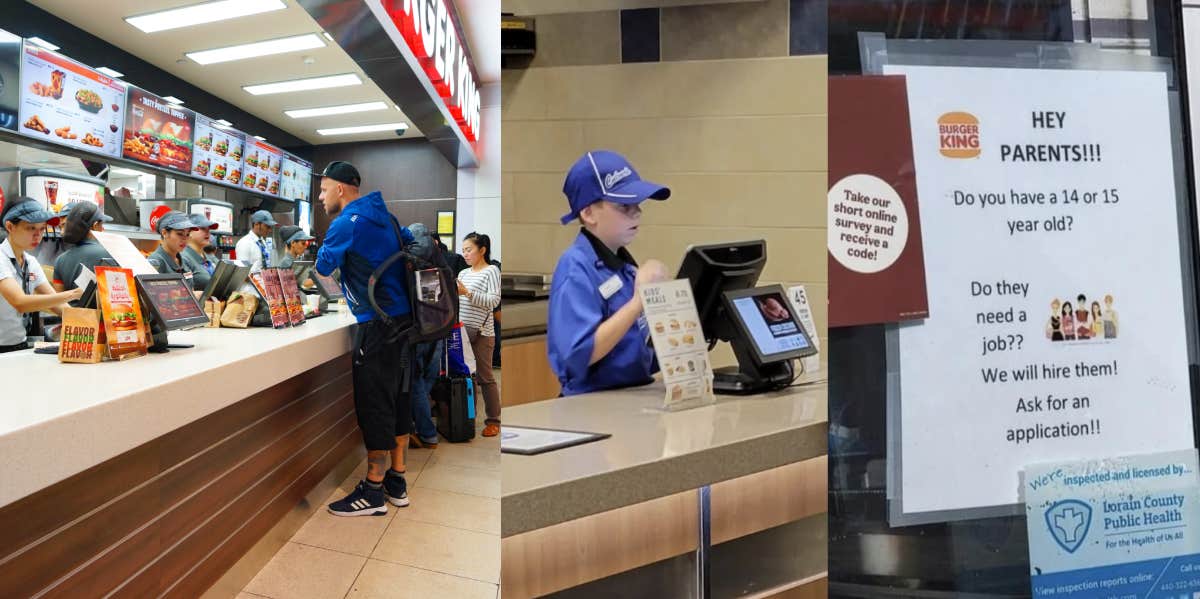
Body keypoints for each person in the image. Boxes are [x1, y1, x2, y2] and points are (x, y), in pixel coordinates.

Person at [315, 161, 416, 517]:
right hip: (404, 322)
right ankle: (397, 480)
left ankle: (372, 490)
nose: (321, 196)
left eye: (324, 189)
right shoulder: (385, 216)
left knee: (374, 402)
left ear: (341, 190)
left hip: (376, 325)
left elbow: (323, 266)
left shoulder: (346, 223)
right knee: (399, 396)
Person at [547, 150, 670, 396]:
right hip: (590, 405)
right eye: (624, 206)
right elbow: (579, 354)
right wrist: (638, 303)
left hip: (631, 397)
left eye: (637, 204)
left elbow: (639, 354)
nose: (636, 212)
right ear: (588, 213)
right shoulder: (576, 268)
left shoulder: (626, 268)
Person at [0, 198, 82, 352]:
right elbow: (20, 302)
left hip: (19, 344)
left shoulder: (30, 262)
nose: (38, 235)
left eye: (42, 228)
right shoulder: (1, 259)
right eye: (31, 228)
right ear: (10, 226)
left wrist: (86, 322)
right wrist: (72, 294)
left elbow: (56, 303)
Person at [457, 232, 502, 436]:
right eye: (464, 250)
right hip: (462, 331)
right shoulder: (463, 273)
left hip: (483, 332)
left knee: (485, 377)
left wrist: (467, 293)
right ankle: (469, 418)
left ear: (482, 250)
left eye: (469, 250)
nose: (465, 254)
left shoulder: (492, 270)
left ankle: (493, 420)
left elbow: (493, 301)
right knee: (468, 377)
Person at [406, 223, 443, 449]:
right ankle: (420, 423)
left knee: (415, 379)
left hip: (417, 330)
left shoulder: (409, 261)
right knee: (428, 376)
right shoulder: (437, 260)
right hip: (438, 326)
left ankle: (427, 432)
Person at [51, 201, 113, 291]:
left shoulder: (60, 260)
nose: (103, 229)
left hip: (68, 305)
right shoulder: (112, 254)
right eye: (101, 225)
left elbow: (59, 301)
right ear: (95, 226)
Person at [148, 211, 198, 286]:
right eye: (180, 234)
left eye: (187, 234)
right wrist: (192, 295)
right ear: (164, 233)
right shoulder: (156, 261)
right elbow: (155, 294)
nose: (185, 239)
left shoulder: (183, 260)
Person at [183, 213, 219, 290]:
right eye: (203, 228)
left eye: (208, 229)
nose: (208, 232)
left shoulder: (210, 257)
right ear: (189, 232)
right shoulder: (183, 258)